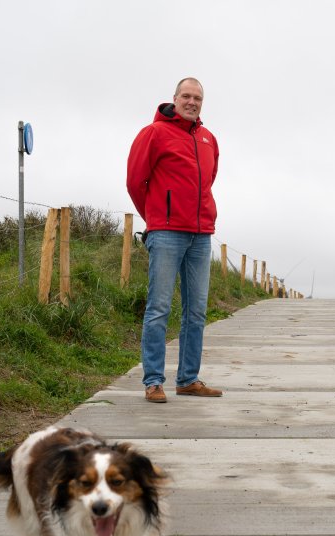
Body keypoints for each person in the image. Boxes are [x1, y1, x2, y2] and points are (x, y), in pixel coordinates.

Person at [127, 77, 224, 403]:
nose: (192, 101)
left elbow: (208, 180)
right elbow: (135, 181)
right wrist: (156, 218)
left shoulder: (209, 139)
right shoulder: (153, 133)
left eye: (197, 97)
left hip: (201, 235)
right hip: (167, 233)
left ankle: (188, 379)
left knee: (196, 311)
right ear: (174, 98)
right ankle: (154, 381)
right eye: (186, 95)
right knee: (159, 308)